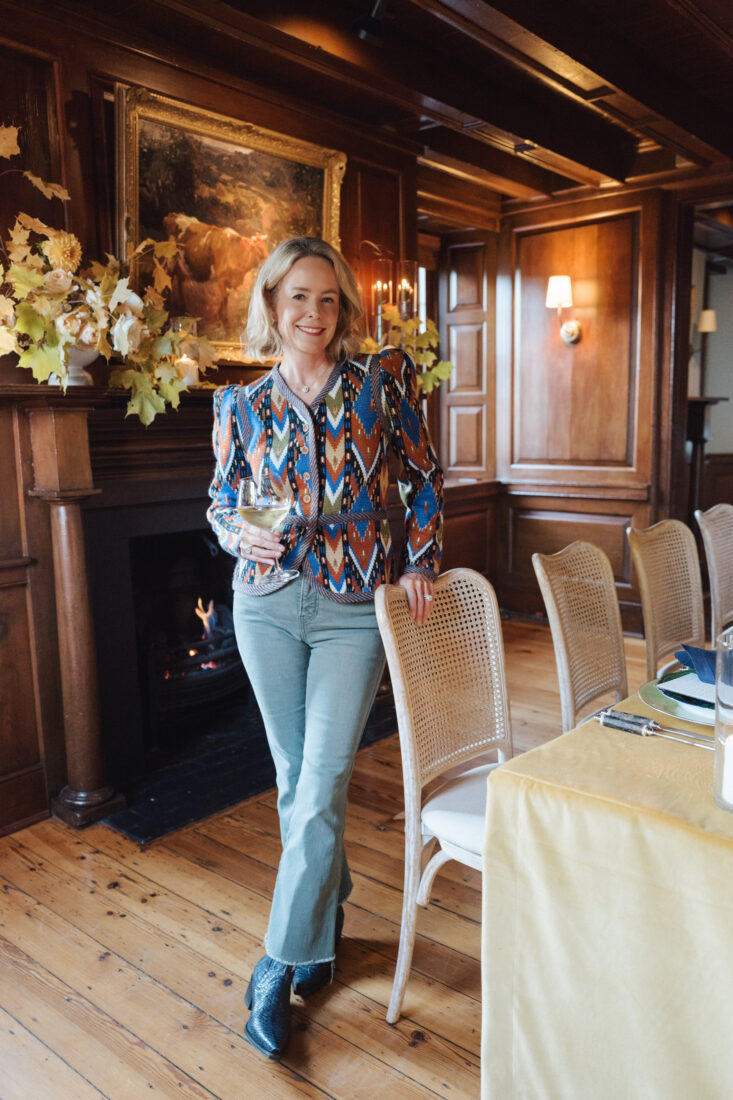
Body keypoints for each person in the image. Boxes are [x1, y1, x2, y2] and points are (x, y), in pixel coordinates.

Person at [207, 236, 443, 1061]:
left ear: (342, 309)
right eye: (297, 297)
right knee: (294, 779)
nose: (313, 313)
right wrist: (239, 532)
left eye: (328, 299)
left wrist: (420, 557)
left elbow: (420, 477)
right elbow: (221, 501)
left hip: (350, 604)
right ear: (271, 305)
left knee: (324, 779)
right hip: (264, 605)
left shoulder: (378, 386)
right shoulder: (237, 405)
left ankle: (275, 964)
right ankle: (323, 921)